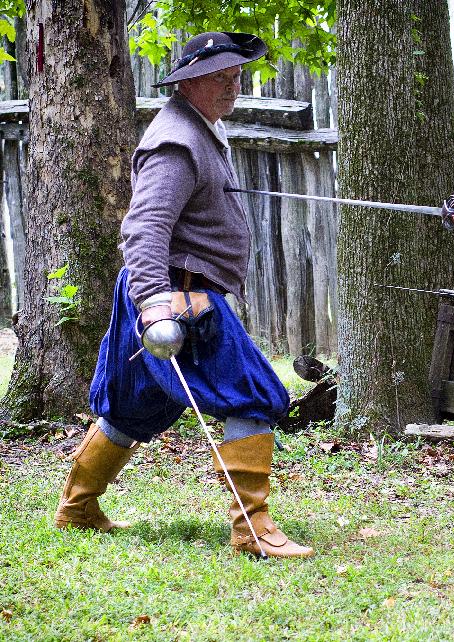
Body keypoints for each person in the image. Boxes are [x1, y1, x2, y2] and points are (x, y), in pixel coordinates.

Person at [53, 32, 313, 559]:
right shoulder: (175, 141)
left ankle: (77, 508)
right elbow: (144, 228)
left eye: (238, 76)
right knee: (255, 393)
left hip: (163, 295)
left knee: (131, 407)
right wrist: (154, 305)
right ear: (191, 81)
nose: (235, 87)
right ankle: (252, 530)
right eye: (223, 78)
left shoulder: (198, 130)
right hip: (179, 302)